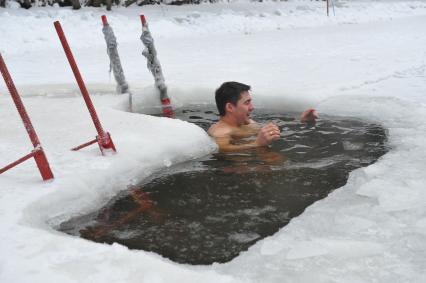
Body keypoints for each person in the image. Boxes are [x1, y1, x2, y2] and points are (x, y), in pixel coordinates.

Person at [207, 81, 318, 152]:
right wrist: (257, 144)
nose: (252, 107)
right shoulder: (220, 132)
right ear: (230, 107)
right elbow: (223, 149)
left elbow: (272, 128)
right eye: (247, 103)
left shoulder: (248, 122)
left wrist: (301, 121)